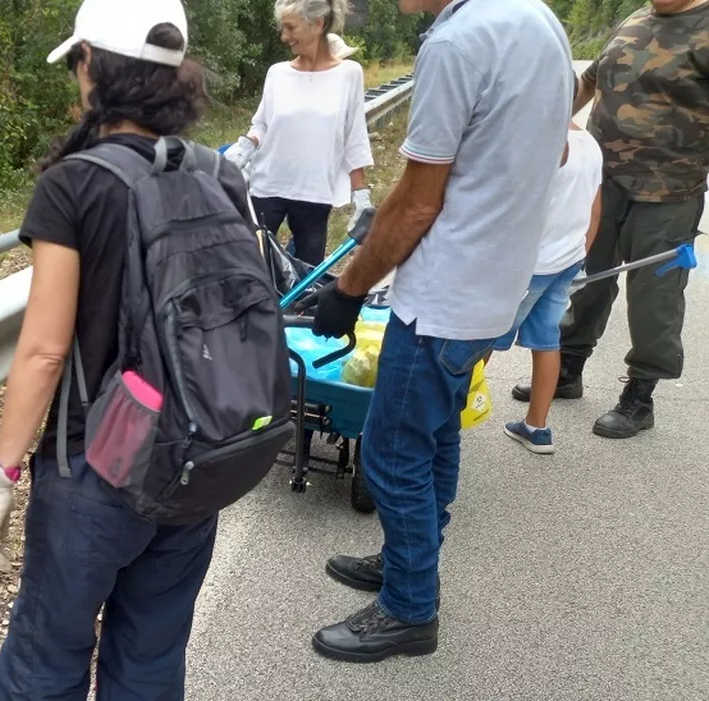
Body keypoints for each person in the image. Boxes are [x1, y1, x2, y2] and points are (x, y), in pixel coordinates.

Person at [0, 0, 257, 697]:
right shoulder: (221, 175)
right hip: (193, 462)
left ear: (93, 63)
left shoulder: (75, 183)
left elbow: (43, 352)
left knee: (48, 654)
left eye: (76, 62)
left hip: (94, 468)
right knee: (152, 655)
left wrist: (0, 471)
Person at [299, 0, 573, 662]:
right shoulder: (538, 18)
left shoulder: (455, 43)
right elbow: (553, 150)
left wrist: (350, 286)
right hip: (497, 286)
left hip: (445, 295)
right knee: (438, 434)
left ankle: (409, 607)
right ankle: (405, 559)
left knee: (394, 453)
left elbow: (422, 200)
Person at [513, 0, 709, 440]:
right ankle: (568, 370)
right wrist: (549, 128)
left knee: (654, 296)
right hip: (604, 181)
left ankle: (641, 395)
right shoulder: (637, 18)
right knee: (587, 277)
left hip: (669, 191)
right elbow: (588, 81)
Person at [223, 0, 374, 266]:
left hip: (315, 190)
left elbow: (355, 137)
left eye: (290, 28)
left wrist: (360, 194)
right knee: (251, 266)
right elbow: (262, 124)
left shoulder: (349, 75)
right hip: (267, 185)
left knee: (307, 277)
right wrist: (245, 147)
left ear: (318, 24)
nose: (284, 37)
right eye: (282, 28)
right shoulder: (277, 74)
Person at [492, 123, 603, 454]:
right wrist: (580, 254)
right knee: (546, 341)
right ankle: (536, 427)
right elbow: (595, 211)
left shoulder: (544, 141)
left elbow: (513, 208)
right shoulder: (590, 143)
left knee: (479, 339)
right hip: (566, 259)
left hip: (530, 265)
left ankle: (447, 420)